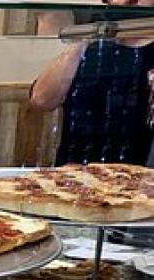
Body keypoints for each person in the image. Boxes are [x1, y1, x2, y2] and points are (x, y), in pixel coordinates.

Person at [29, 2, 154, 166]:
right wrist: (83, 40)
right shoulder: (89, 36)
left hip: (139, 172)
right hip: (74, 171)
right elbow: (42, 100)